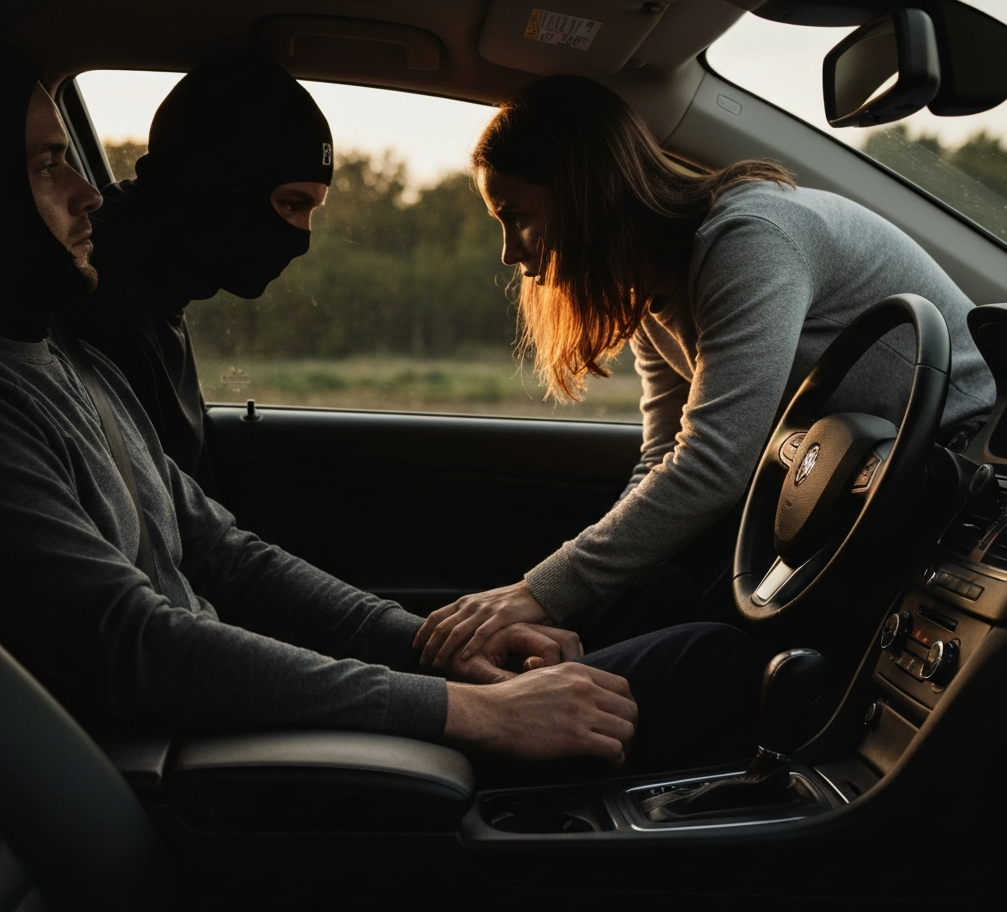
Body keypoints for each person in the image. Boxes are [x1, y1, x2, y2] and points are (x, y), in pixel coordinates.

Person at [0, 48, 759, 774]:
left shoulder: (73, 360)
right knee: (709, 661)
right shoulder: (18, 401)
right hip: (188, 768)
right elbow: (136, 647)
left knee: (666, 624)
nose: (89, 193)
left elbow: (225, 557)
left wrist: (428, 645)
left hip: (225, 721)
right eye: (45, 164)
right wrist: (468, 710)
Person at [413, 73, 997, 669]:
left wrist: (539, 592)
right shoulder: (647, 288)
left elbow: (715, 464)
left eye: (517, 217)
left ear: (583, 197)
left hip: (962, 462)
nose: (511, 252)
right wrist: (562, 600)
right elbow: (663, 453)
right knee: (636, 605)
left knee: (706, 648)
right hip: (850, 480)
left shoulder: (747, 239)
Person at [64, 52, 335, 483]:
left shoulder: (160, 279)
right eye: (290, 204)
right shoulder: (99, 298)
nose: (301, 238)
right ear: (216, 185)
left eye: (312, 210)